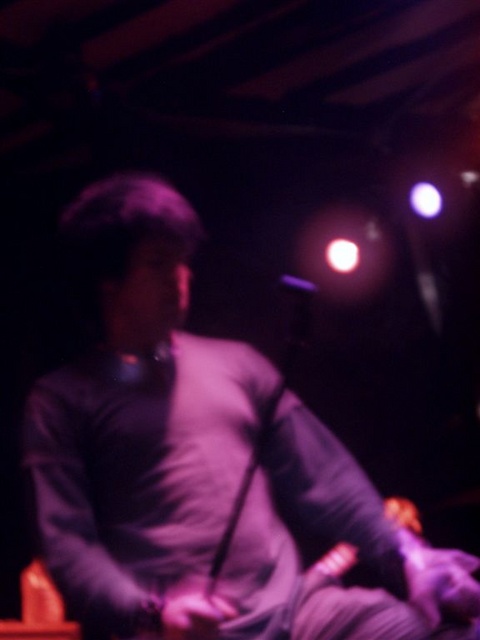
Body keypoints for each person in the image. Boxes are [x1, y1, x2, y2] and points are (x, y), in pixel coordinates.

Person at [22, 172, 480, 640]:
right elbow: (68, 548)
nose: (178, 279)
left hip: (300, 612)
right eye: (157, 263)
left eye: (182, 262)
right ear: (108, 280)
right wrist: (152, 614)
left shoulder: (239, 365)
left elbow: (329, 481)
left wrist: (409, 557)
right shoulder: (61, 401)